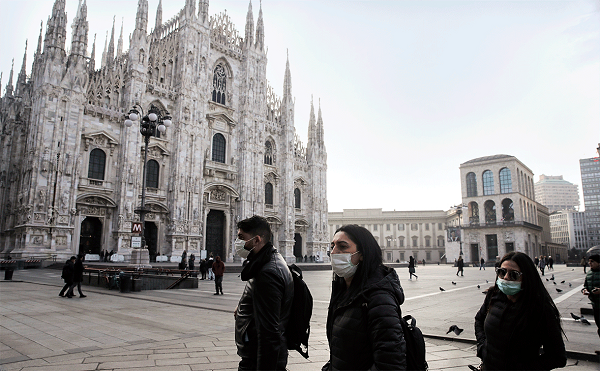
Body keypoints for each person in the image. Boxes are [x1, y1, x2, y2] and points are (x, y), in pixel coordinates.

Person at [323, 224, 406, 370]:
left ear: (362, 254)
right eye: (332, 246)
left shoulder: (379, 298)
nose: (334, 252)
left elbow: (390, 363)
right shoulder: (344, 290)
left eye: (342, 246)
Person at [474, 252, 566, 370]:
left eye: (514, 274)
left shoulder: (541, 310)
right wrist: (482, 347)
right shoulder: (493, 295)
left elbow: (558, 357)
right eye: (502, 272)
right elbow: (479, 319)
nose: (506, 277)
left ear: (526, 277)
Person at [234, 215, 294, 371]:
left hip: (256, 358)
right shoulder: (268, 260)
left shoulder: (268, 272)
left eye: (241, 237)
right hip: (255, 352)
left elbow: (269, 333)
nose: (238, 242)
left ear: (256, 240)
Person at [582, 254, 600, 352]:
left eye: (592, 261)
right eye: (589, 261)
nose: (590, 263)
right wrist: (584, 290)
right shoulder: (589, 274)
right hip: (595, 304)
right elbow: (585, 285)